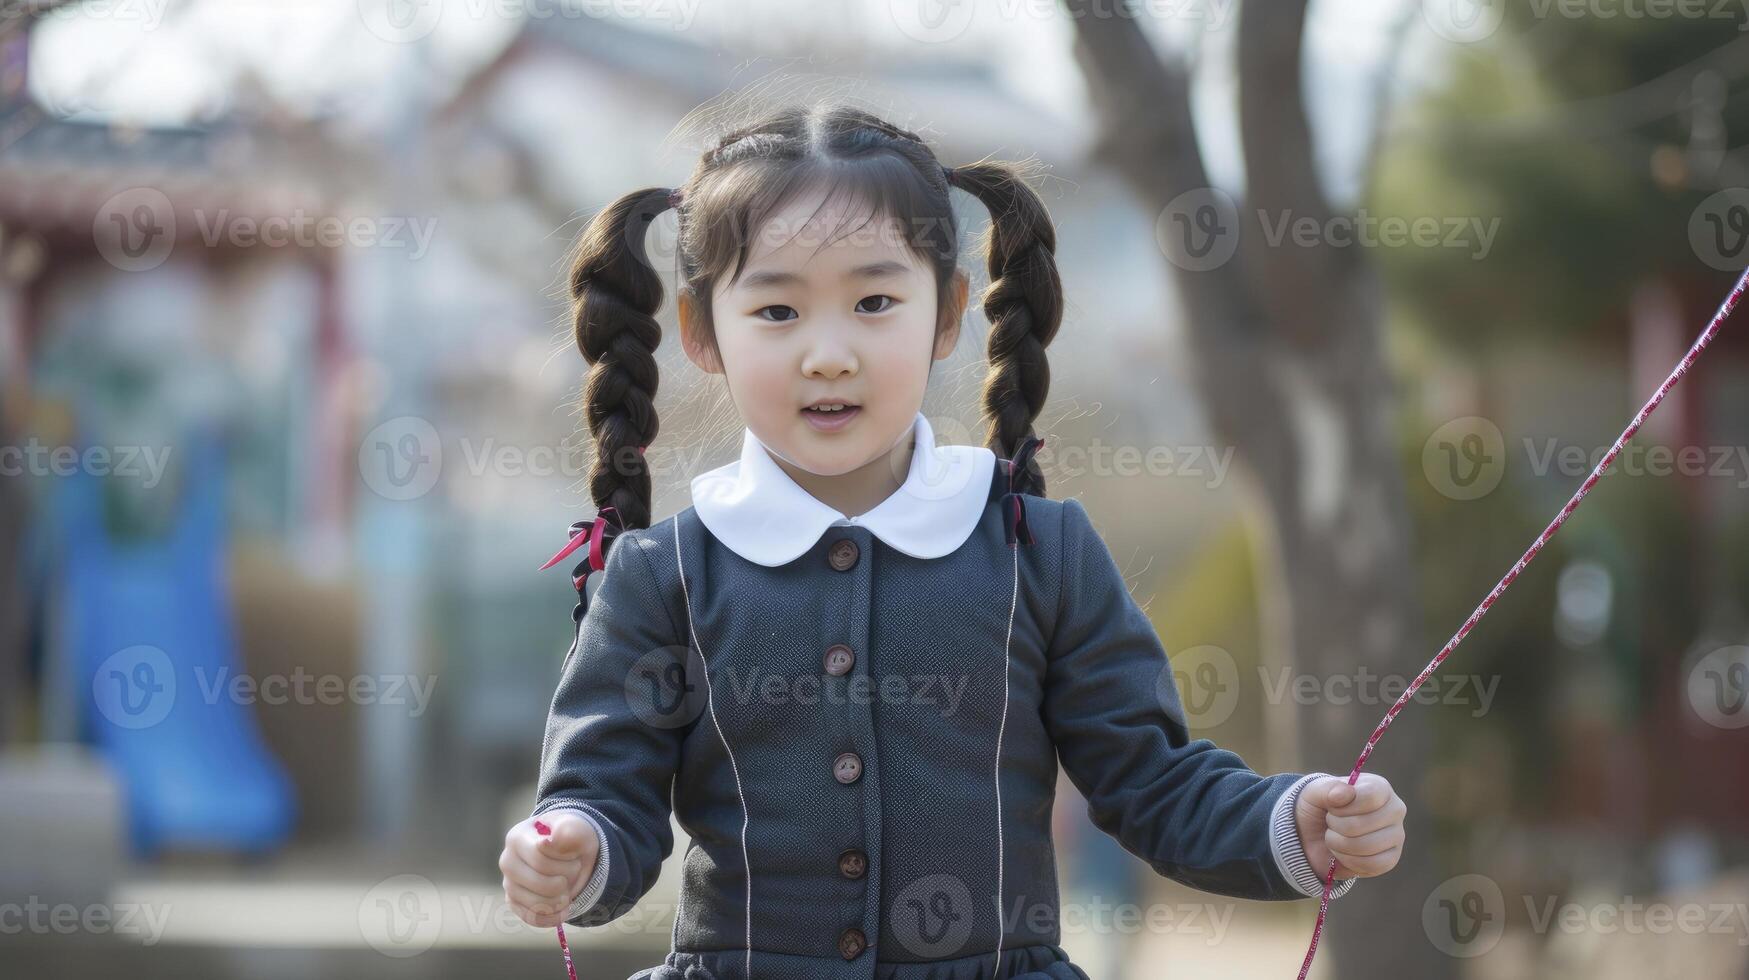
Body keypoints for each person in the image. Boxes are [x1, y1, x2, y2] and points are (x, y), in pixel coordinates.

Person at [498, 103, 1406, 980]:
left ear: (946, 315)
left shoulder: (1040, 552)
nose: (828, 353)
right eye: (777, 312)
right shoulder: (663, 577)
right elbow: (603, 792)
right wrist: (572, 847)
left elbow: (1152, 781)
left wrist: (1291, 823)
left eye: (875, 301)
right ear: (701, 332)